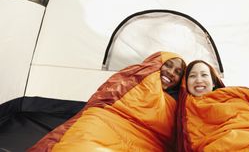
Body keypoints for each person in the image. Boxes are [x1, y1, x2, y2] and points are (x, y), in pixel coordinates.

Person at [28, 51, 186, 152]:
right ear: (155, 64)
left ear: (181, 80)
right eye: (168, 65)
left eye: (178, 72)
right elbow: (106, 97)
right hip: (107, 119)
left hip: (146, 139)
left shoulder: (178, 103)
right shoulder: (134, 76)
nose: (171, 73)